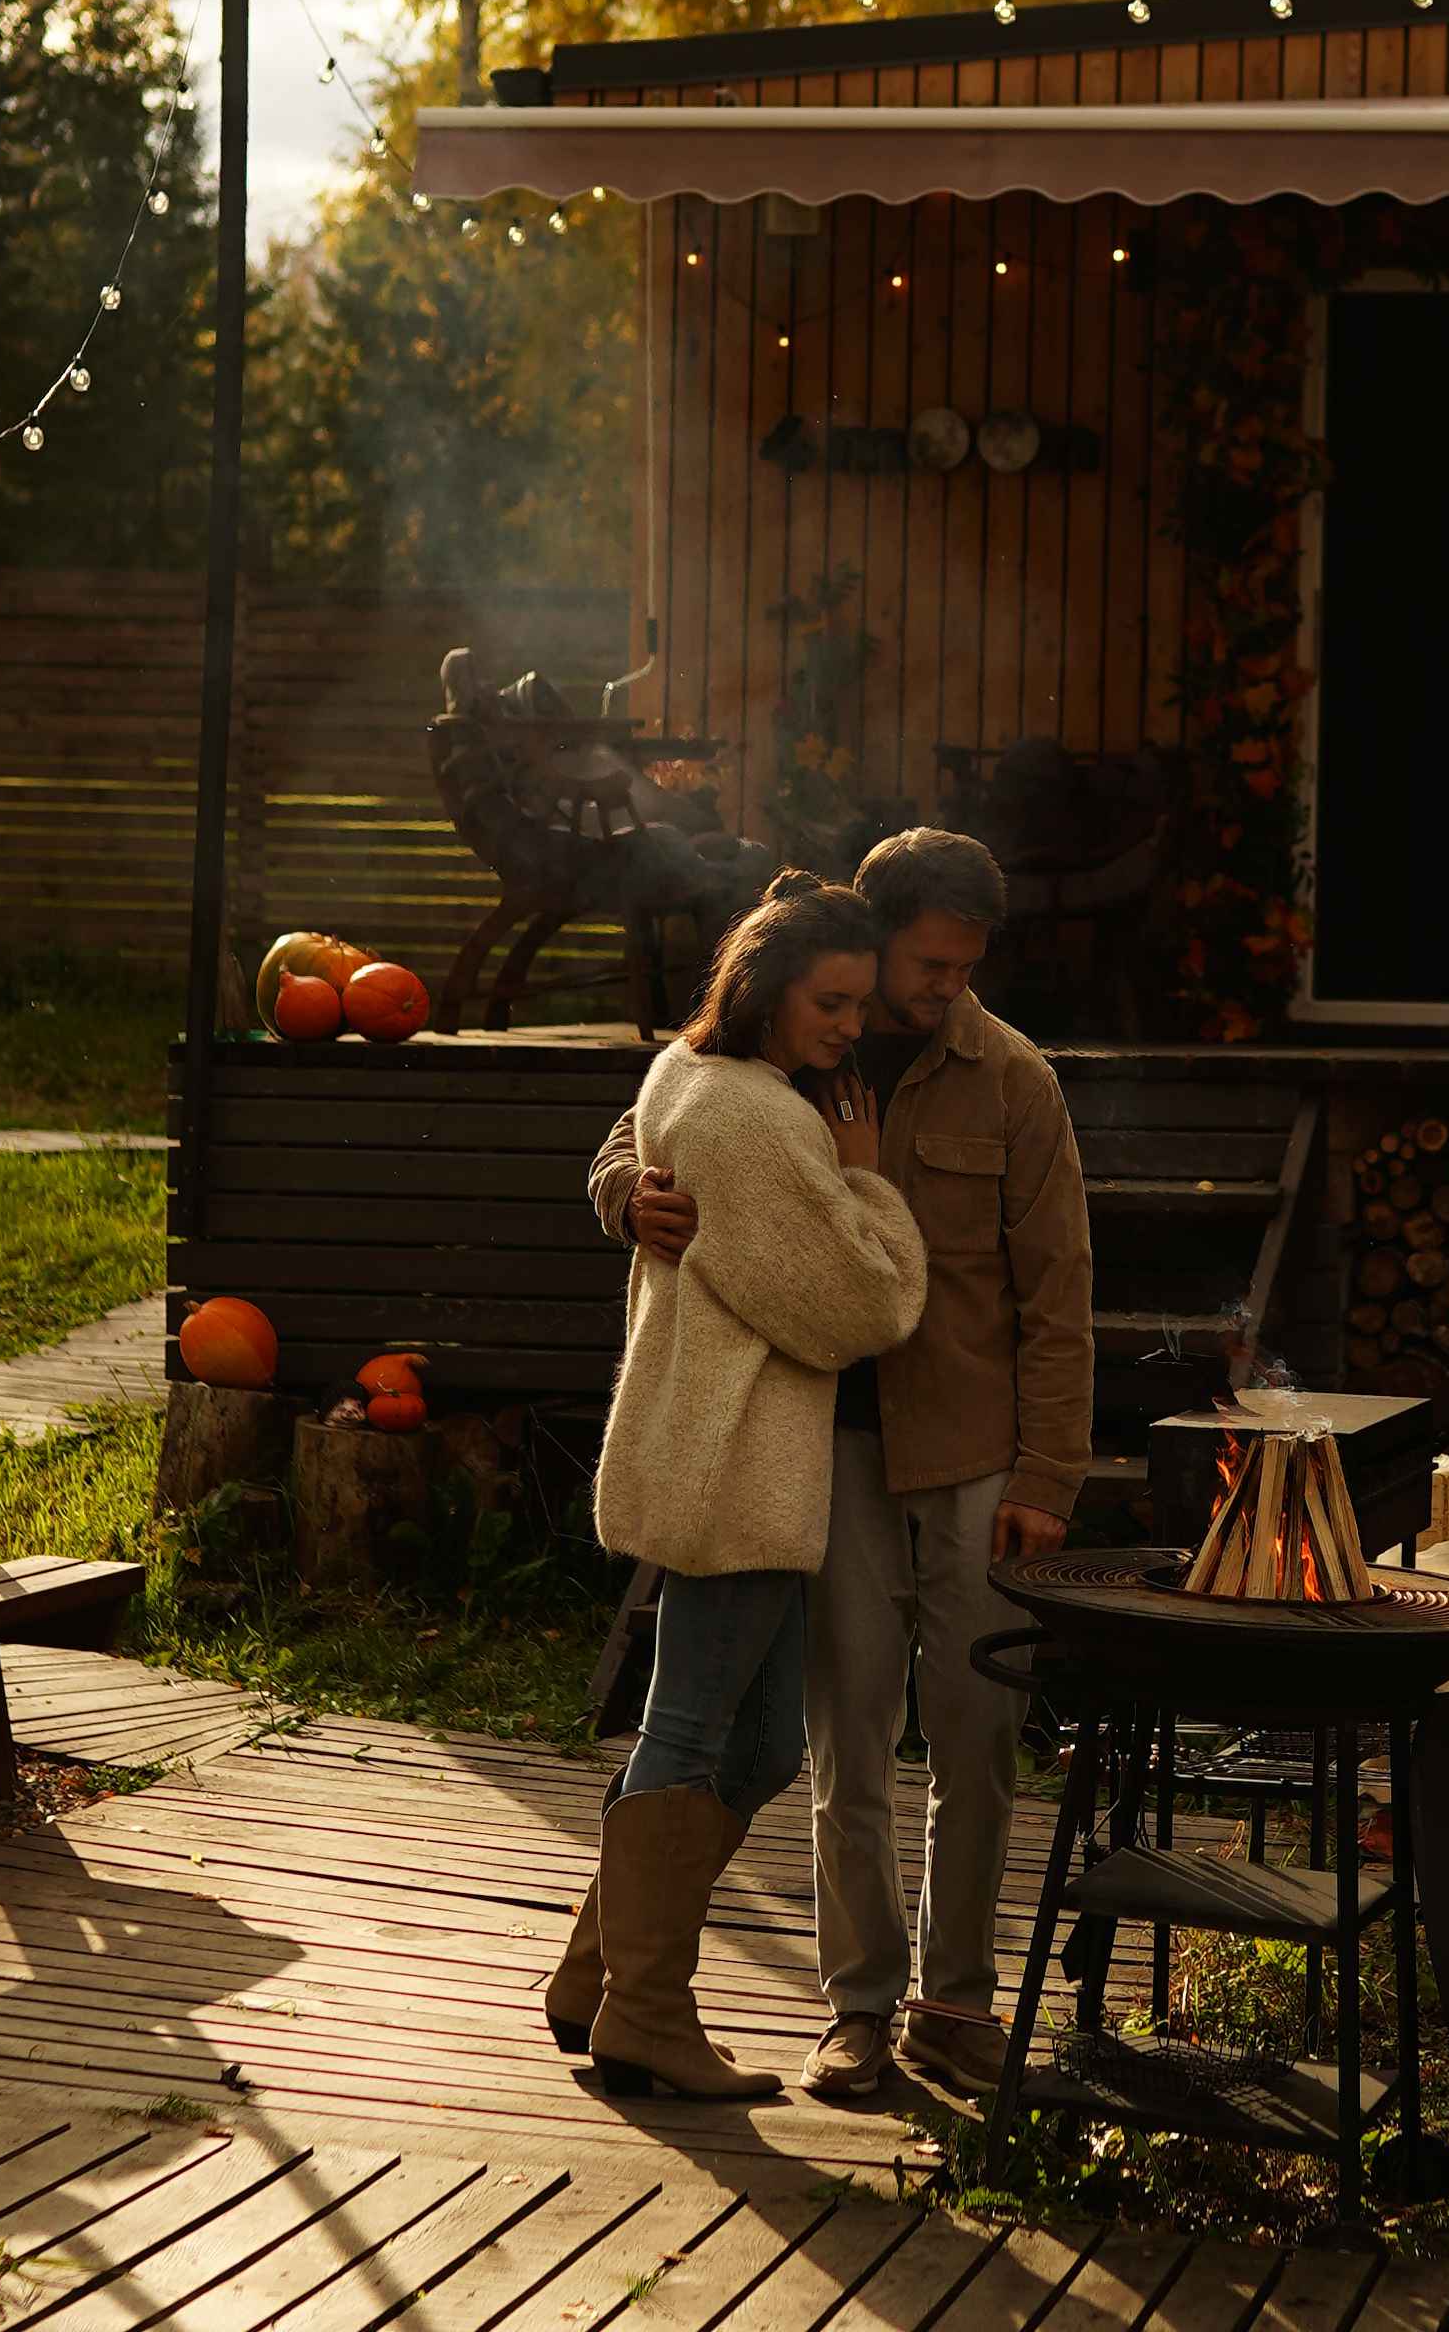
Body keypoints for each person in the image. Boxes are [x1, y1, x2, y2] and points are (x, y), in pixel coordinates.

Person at [590, 827, 1093, 2100]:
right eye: (926, 961)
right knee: (843, 1741)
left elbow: (1059, 1295)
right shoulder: (810, 1029)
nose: (941, 988)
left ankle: (957, 2001)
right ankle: (856, 2006)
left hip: (976, 1457)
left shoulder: (1015, 1080)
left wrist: (1046, 1476)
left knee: (975, 1743)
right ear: (872, 941)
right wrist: (617, 1195)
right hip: (829, 1456)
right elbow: (649, 1122)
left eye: (963, 966)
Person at [547, 871, 927, 2102]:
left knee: (759, 1740)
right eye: (831, 1001)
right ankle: (646, 2012)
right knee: (691, 1726)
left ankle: (595, 1971)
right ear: (765, 989)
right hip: (730, 1462)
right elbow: (862, 1304)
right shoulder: (753, 1119)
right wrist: (868, 1180)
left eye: (859, 1003)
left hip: (740, 1460)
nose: (850, 1026)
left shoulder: (685, 1071)